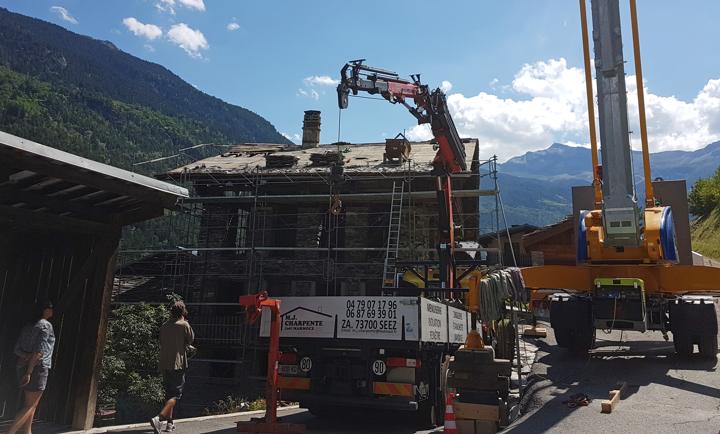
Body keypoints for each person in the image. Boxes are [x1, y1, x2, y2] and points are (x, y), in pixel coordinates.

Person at [7, 300, 56, 434]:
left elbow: (17, 349)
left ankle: (27, 432)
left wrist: (26, 357)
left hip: (21, 366)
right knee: (30, 405)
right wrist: (29, 371)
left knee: (29, 404)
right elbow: (39, 352)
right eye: (50, 308)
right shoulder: (46, 325)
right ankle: (10, 432)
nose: (52, 310)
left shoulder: (28, 326)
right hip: (37, 368)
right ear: (44, 310)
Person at [150, 301, 194, 433]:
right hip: (177, 363)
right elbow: (191, 339)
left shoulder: (164, 326)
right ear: (183, 312)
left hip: (164, 362)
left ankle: (170, 423)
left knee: (169, 393)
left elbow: (161, 341)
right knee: (175, 395)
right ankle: (159, 418)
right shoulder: (184, 325)